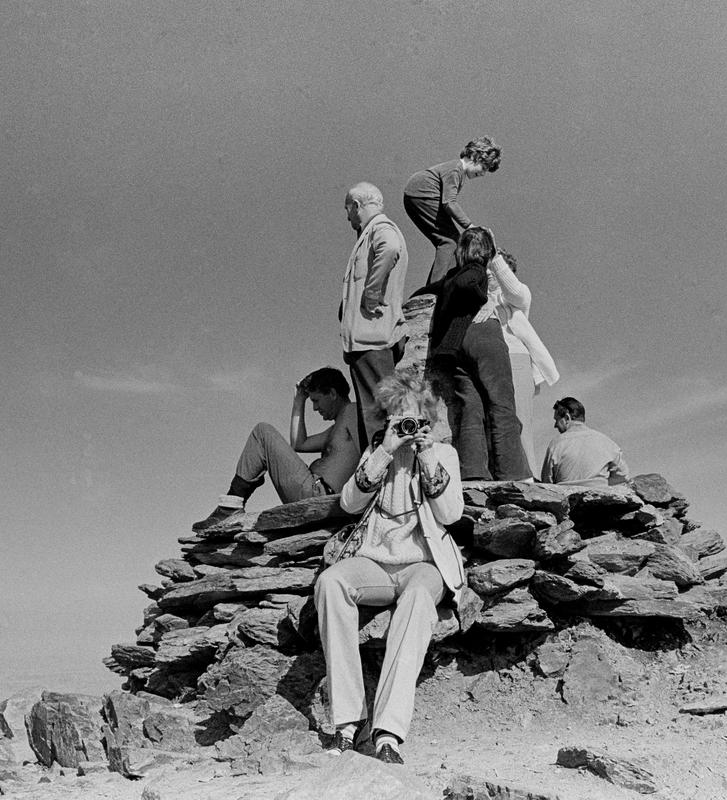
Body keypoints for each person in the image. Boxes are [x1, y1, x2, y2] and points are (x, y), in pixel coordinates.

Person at [314, 368, 467, 765]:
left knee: (417, 598)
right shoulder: (376, 453)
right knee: (331, 583)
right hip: (375, 564)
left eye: (413, 416)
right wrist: (385, 449)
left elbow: (450, 514)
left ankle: (388, 733)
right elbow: (349, 503)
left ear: (429, 418)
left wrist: (427, 453)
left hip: (423, 564)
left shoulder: (443, 453)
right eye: (398, 416)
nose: (406, 423)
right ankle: (348, 723)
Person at [191, 368, 360, 532]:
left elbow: (370, 428)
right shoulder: (337, 428)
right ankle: (230, 505)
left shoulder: (353, 412)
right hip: (315, 496)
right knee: (263, 434)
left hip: (318, 496)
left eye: (316, 400)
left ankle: (230, 506)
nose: (315, 408)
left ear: (332, 393)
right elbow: (299, 443)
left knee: (262, 432)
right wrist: (299, 400)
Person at [427, 227, 532, 481]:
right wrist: (481, 297)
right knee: (502, 404)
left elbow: (431, 290)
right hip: (485, 337)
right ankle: (513, 475)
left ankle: (473, 474)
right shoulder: (476, 276)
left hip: (456, 344)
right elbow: (472, 281)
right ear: (487, 254)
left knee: (471, 406)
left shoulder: (452, 277)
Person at [341, 182, 409, 448]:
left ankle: (384, 479)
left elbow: (390, 248)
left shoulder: (381, 229)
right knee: (377, 415)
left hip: (372, 339)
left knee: (379, 417)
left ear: (357, 206)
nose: (348, 217)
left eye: (348, 209)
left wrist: (371, 292)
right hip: (368, 340)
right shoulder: (370, 233)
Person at [484, 248, 559, 469]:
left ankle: (527, 472)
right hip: (488, 362)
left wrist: (495, 259)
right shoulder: (478, 298)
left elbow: (515, 290)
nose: (489, 272)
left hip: (515, 359)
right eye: (486, 267)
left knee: (520, 420)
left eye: (494, 268)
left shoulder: (516, 298)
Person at [402, 136, 502, 285]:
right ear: (475, 157)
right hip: (422, 194)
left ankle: (440, 282)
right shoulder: (456, 170)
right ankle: (434, 287)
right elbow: (449, 202)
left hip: (417, 195)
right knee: (450, 241)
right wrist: (469, 226)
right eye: (483, 168)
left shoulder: (458, 172)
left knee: (452, 240)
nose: (482, 174)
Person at [540, 397, 629, 487]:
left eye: (557, 420)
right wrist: (600, 485)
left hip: (565, 497)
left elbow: (547, 483)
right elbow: (622, 476)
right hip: (599, 496)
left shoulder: (557, 444)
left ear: (567, 418)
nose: (555, 425)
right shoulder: (607, 442)